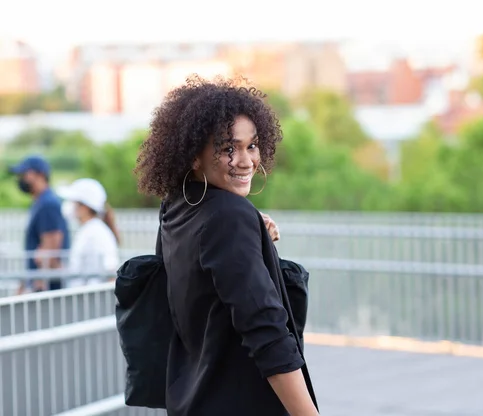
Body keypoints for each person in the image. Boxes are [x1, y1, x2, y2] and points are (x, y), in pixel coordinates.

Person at [134, 75, 318, 416]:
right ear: (193, 155)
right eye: (227, 148)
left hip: (192, 397)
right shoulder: (228, 218)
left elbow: (204, 285)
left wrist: (258, 240)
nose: (245, 160)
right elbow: (266, 329)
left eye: (252, 145)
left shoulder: (177, 207)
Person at [9, 155, 70, 293]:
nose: (21, 178)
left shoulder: (47, 204)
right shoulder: (41, 202)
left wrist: (38, 281)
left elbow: (51, 247)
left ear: (40, 175)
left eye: (24, 174)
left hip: (46, 288)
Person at [57, 178, 120, 287]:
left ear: (84, 207)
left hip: (92, 299)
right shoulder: (88, 230)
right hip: (84, 298)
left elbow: (110, 270)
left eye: (74, 202)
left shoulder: (97, 232)